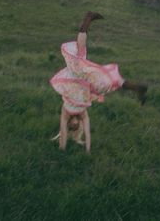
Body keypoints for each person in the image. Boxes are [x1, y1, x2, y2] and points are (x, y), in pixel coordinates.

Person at [50, 12, 147, 152]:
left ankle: (87, 20)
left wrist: (62, 148)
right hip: (86, 85)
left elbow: (63, 134)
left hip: (72, 80)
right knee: (108, 83)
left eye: (72, 125)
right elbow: (88, 133)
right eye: (77, 126)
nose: (75, 124)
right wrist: (88, 150)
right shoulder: (83, 114)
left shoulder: (65, 114)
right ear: (79, 127)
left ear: (68, 124)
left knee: (79, 53)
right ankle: (135, 87)